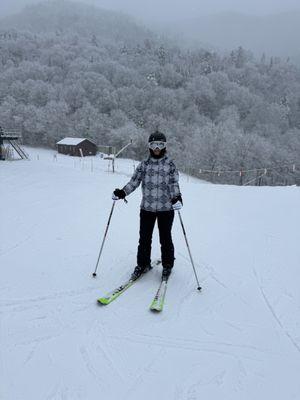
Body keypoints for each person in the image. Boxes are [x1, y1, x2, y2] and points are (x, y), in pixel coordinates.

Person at [112, 130, 183, 282]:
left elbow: (173, 183)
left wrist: (177, 197)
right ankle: (143, 264)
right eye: (154, 144)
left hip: (166, 209)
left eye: (160, 144)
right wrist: (123, 192)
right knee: (144, 239)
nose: (157, 148)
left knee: (165, 238)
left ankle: (167, 265)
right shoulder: (144, 165)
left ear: (164, 146)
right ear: (149, 146)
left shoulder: (170, 164)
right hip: (147, 209)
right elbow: (134, 181)